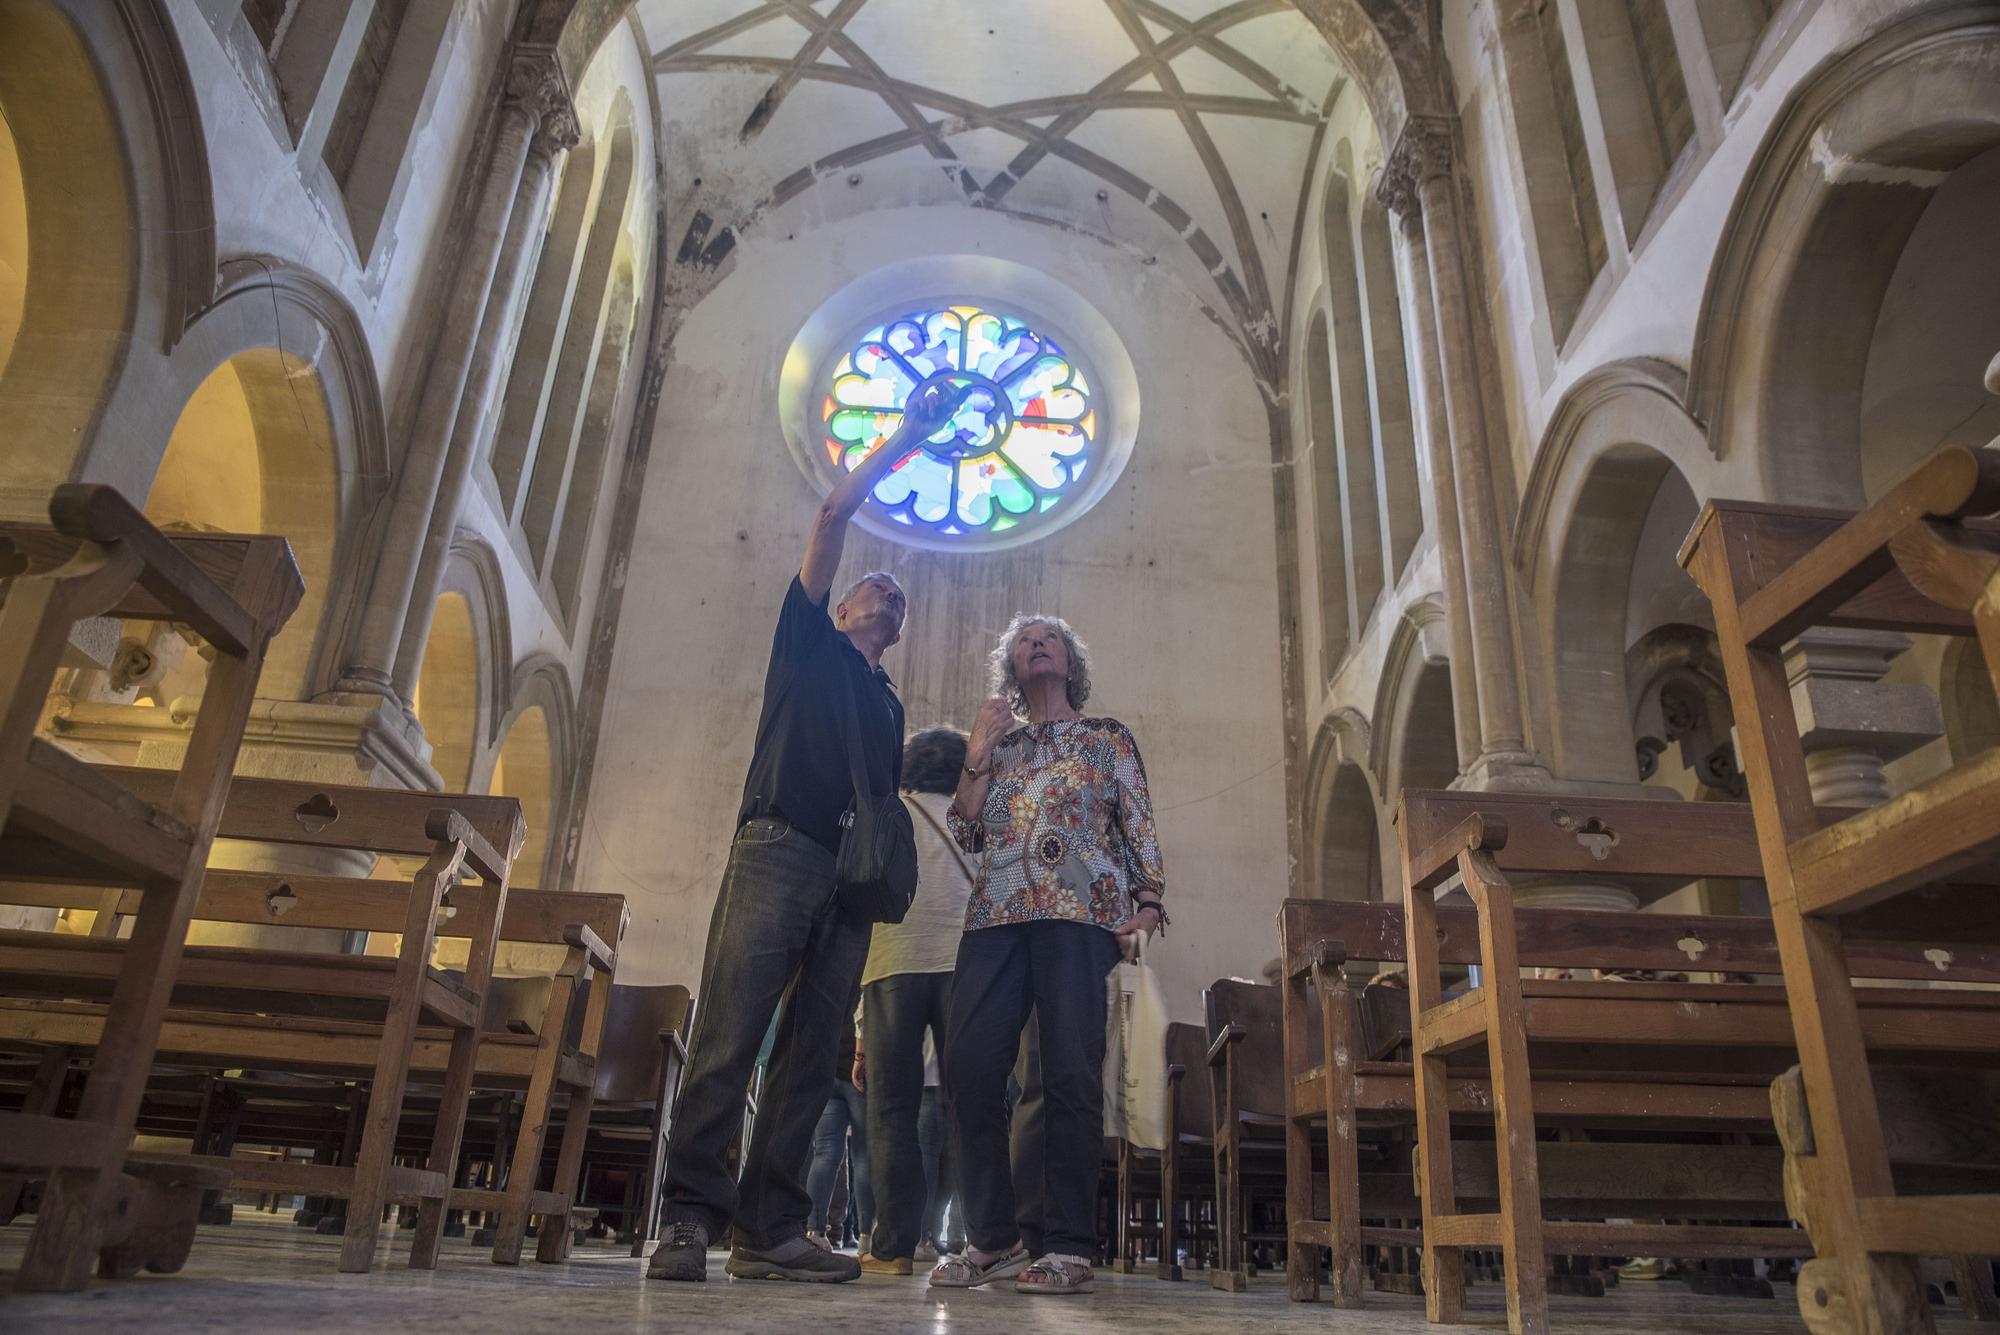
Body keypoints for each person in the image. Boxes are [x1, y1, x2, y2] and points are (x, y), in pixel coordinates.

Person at [647, 379, 966, 1285]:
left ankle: (770, 1226)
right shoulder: (807, 642)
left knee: (810, 1056)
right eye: (876, 585)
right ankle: (684, 1218)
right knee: (733, 1030)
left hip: (851, 879)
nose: (890, 592)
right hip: (778, 849)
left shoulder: (888, 703)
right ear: (837, 605)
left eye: (899, 598)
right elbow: (833, 511)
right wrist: (906, 434)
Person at [931, 615, 1167, 1296]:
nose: (1037, 643)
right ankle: (995, 1237)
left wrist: (1148, 901)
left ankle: (1067, 1242)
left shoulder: (1105, 738)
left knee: (1069, 1074)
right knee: (970, 1066)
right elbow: (968, 829)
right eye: (1024, 639)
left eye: (1051, 637)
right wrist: (977, 748)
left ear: (1070, 662)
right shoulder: (999, 748)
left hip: (1079, 915)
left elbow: (1138, 820)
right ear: (1011, 663)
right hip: (996, 914)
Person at [855, 727, 977, 1275]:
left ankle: (893, 1247)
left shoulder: (890, 812)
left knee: (890, 1110)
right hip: (963, 967)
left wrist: (860, 1031)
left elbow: (866, 902)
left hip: (890, 964)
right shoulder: (974, 816)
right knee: (970, 1106)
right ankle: (980, 1237)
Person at [805, 1011, 872, 1249]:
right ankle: (866, 1237)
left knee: (825, 1154)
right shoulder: (864, 982)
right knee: (864, 1157)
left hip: (828, 1071)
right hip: (859, 1073)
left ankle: (815, 1231)